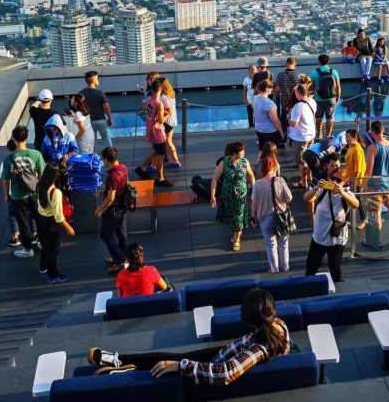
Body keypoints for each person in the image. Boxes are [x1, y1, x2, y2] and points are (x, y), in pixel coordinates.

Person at [86, 288, 290, 381]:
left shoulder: (260, 348)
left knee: (169, 362)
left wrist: (182, 366)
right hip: (223, 352)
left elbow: (227, 372)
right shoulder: (278, 326)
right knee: (168, 357)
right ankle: (119, 360)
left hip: (213, 363)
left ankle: (124, 369)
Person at [304, 165, 358, 282]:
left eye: (338, 180)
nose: (334, 182)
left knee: (334, 267)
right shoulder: (323, 190)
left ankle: (338, 289)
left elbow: (356, 204)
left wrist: (342, 193)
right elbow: (307, 198)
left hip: (336, 240)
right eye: (332, 178)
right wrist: (315, 188)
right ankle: (307, 288)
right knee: (311, 267)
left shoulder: (346, 194)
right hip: (319, 237)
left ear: (345, 182)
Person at [0, 126, 46, 258]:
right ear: (27, 138)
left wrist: (7, 195)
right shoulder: (36, 154)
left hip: (18, 195)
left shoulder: (9, 159)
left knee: (23, 222)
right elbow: (42, 175)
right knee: (39, 219)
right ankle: (42, 242)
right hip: (34, 193)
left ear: (14, 139)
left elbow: (6, 181)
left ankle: (27, 249)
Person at [211, 141, 256, 252]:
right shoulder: (224, 162)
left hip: (241, 194)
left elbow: (251, 176)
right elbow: (215, 179)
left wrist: (254, 189)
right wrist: (212, 195)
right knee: (233, 215)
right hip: (228, 194)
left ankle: (236, 239)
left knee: (238, 216)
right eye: (242, 151)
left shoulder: (245, 162)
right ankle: (237, 233)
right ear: (235, 153)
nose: (244, 152)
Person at [252, 157, 293, 273]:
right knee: (283, 244)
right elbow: (289, 198)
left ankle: (274, 269)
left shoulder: (257, 184)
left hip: (264, 218)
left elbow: (254, 203)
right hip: (281, 217)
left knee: (271, 245)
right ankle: (285, 267)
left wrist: (253, 217)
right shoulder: (280, 181)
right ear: (274, 167)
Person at [36, 162, 75, 284]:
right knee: (54, 250)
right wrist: (69, 228)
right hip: (52, 224)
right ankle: (53, 275)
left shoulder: (40, 185)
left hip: (41, 219)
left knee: (45, 245)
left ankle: (43, 267)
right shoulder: (55, 192)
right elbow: (59, 216)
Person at [95, 146, 130, 273]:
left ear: (106, 160)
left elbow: (111, 198)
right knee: (121, 233)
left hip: (113, 210)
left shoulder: (111, 176)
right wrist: (105, 190)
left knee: (105, 234)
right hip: (123, 206)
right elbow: (121, 185)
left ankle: (120, 260)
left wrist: (100, 208)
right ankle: (123, 255)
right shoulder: (123, 168)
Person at [1, 139, 36, 248]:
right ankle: (34, 234)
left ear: (8, 150)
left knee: (13, 216)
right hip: (31, 191)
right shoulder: (33, 155)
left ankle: (15, 237)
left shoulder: (7, 160)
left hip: (15, 194)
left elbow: (5, 181)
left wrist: (6, 195)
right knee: (31, 214)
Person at [139, 80, 172, 187]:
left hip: (150, 130)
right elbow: (161, 120)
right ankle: (160, 178)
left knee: (157, 152)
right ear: (160, 89)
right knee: (160, 156)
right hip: (158, 133)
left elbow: (144, 110)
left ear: (152, 90)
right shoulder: (159, 104)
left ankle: (144, 168)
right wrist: (167, 114)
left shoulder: (148, 99)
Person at [287, 85, 317, 189]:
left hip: (300, 137)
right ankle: (309, 176)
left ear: (298, 93)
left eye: (295, 92)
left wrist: (288, 119)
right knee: (309, 157)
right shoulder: (312, 101)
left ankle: (303, 181)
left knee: (301, 161)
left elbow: (294, 123)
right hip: (310, 134)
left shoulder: (298, 106)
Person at [310, 53, 341, 140]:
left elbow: (312, 87)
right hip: (331, 99)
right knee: (330, 118)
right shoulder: (333, 72)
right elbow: (338, 86)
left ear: (319, 62)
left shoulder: (314, 73)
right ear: (328, 62)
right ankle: (328, 135)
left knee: (318, 117)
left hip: (318, 98)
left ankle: (319, 134)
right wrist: (337, 97)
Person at [81, 71, 114, 151]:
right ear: (93, 79)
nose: (98, 80)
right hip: (100, 120)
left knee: (93, 141)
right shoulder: (100, 93)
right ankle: (111, 156)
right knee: (106, 138)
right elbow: (106, 107)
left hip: (88, 121)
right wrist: (109, 118)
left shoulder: (81, 93)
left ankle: (95, 159)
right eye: (97, 78)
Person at [252, 80, 284, 151]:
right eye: (271, 87)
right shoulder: (270, 104)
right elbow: (275, 120)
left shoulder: (256, 98)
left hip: (259, 129)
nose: (272, 89)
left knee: (262, 150)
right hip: (269, 131)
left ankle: (260, 162)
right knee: (271, 153)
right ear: (266, 89)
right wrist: (281, 132)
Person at [158, 78, 181, 169]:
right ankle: (176, 161)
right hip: (173, 121)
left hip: (167, 122)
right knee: (168, 141)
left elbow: (168, 111)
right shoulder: (171, 94)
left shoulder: (164, 97)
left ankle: (154, 165)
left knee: (159, 144)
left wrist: (160, 120)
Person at [274, 57, 302, 122]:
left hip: (285, 103)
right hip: (296, 102)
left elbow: (277, 89)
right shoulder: (299, 75)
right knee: (296, 120)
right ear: (295, 64)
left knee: (284, 122)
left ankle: (283, 132)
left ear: (286, 64)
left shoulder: (280, 75)